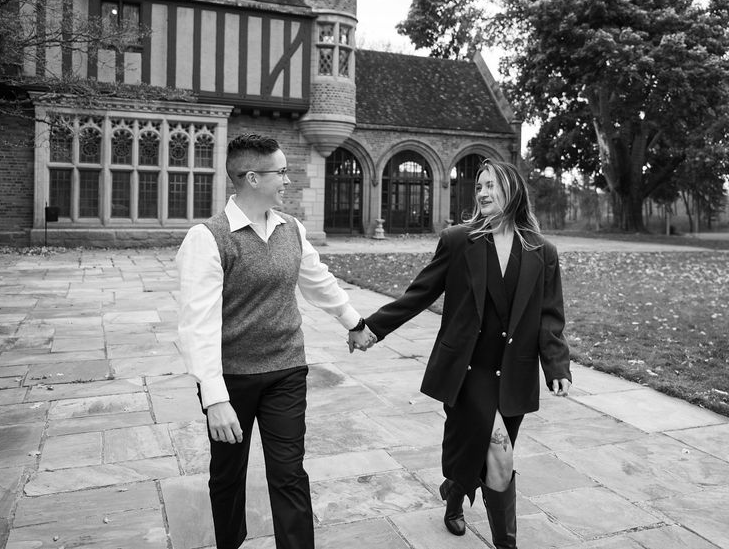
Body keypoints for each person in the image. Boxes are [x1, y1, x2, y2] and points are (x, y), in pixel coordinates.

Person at [348, 159, 572, 549]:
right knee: (499, 452)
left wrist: (556, 365)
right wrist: (373, 327)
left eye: (492, 185)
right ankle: (506, 543)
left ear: (513, 191)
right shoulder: (458, 240)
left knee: (479, 450)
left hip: (513, 372)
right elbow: (421, 293)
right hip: (468, 371)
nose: (483, 192)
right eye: (479, 186)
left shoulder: (542, 251)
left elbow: (549, 316)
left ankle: (453, 493)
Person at [176, 133, 370, 549]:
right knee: (228, 473)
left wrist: (353, 322)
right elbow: (199, 324)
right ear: (251, 178)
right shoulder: (207, 238)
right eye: (280, 172)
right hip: (232, 379)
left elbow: (319, 283)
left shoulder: (292, 229)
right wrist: (214, 398)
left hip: (286, 369)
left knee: (289, 472)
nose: (287, 180)